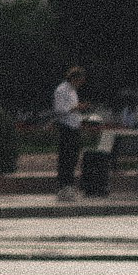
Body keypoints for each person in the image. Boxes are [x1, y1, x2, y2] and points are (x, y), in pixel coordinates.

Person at [52, 67, 87, 202]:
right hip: (66, 127)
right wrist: (76, 108)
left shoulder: (73, 91)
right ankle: (63, 186)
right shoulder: (61, 90)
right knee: (65, 158)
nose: (80, 84)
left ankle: (69, 185)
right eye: (79, 81)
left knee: (73, 157)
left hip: (74, 126)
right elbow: (59, 110)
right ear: (74, 78)